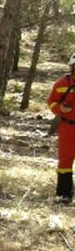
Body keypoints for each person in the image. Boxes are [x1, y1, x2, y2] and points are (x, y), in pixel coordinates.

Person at [48, 53, 75, 204]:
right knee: (65, 161)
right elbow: (51, 102)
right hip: (67, 127)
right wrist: (60, 110)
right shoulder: (62, 84)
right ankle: (64, 195)